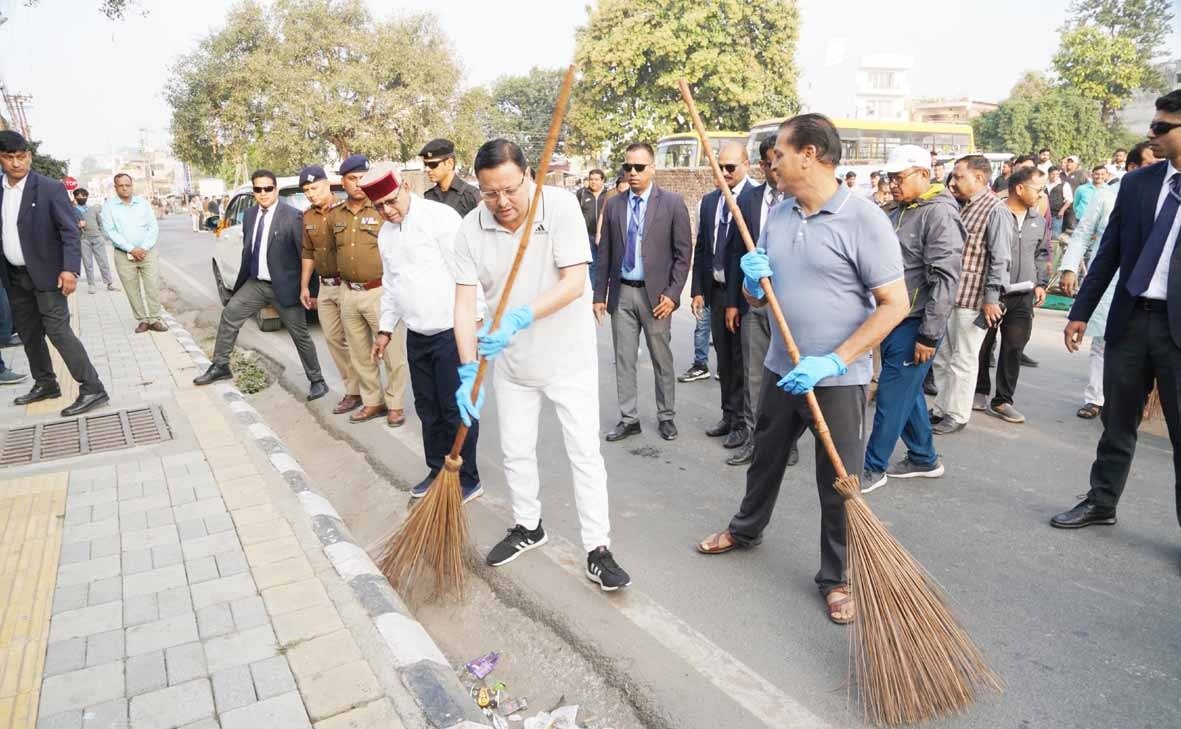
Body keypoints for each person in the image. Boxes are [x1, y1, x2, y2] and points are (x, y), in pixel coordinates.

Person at [696, 114, 909, 625]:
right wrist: (752, 283)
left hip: (836, 378)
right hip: (782, 367)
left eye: (781, 155)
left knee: (838, 481)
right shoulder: (781, 214)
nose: (773, 164)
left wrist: (835, 359)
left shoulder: (864, 219)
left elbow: (895, 304)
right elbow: (759, 299)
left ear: (809, 155)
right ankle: (746, 528)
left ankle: (837, 577)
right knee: (765, 457)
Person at [452, 138, 631, 590]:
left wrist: (519, 316)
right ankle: (528, 525)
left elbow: (574, 283)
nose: (502, 202)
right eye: (490, 193)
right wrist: (468, 369)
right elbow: (463, 303)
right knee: (515, 449)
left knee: (584, 453)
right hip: (513, 363)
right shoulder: (470, 229)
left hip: (569, 358)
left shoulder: (560, 207)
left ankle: (598, 549)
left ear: (529, 176)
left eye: (511, 189)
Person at [1051, 89, 1181, 530]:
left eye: (1161, 126)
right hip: (1131, 321)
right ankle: (1101, 502)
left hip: (1177, 332)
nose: (1151, 133)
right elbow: (1109, 252)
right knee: (1117, 422)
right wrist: (1080, 311)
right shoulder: (1138, 183)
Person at [363, 162, 483, 502]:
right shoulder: (386, 235)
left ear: (404, 186)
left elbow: (467, 274)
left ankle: (468, 479)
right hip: (417, 334)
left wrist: (476, 322)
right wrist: (386, 329)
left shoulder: (439, 219)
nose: (387, 211)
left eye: (391, 201)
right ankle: (436, 470)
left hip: (451, 332)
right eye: (379, 207)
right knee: (427, 408)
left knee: (455, 408)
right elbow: (392, 285)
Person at [861, 145, 965, 492]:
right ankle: (923, 457)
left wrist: (929, 335)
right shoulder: (898, 210)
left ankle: (872, 468)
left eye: (899, 177)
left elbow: (945, 278)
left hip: (915, 322)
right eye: (889, 177)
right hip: (890, 317)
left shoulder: (939, 214)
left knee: (891, 396)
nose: (892, 184)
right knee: (907, 392)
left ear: (923, 173)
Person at [193, 169, 328, 401]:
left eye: (268, 188)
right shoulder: (250, 214)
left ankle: (317, 381)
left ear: (275, 189)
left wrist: (310, 290)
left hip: (285, 287)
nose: (263, 193)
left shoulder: (292, 216)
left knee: (300, 335)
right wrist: (241, 282)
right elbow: (249, 250)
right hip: (256, 284)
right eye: (258, 189)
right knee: (230, 315)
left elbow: (306, 256)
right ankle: (220, 365)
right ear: (254, 191)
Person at [0, 130, 106, 415]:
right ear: (0, 159)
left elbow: (70, 231)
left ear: (29, 156)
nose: (16, 163)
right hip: (14, 276)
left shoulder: (49, 188)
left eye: (21, 157)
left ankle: (93, 388)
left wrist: (70, 269)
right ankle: (46, 383)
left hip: (48, 275)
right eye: (9, 157)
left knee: (58, 331)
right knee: (29, 333)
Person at [595, 142, 692, 442]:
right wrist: (599, 295)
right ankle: (629, 418)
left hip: (657, 298)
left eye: (639, 167)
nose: (633, 173)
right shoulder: (614, 205)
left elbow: (683, 254)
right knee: (624, 359)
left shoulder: (672, 203)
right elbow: (605, 253)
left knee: (662, 359)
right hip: (622, 294)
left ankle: (666, 416)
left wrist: (673, 294)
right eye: (628, 167)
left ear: (652, 168)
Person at [1057, 143, 1153, 420]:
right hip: (1109, 276)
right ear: (1132, 168)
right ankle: (1096, 397)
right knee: (1102, 339)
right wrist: (1069, 268)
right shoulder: (1107, 196)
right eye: (1149, 165)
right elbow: (1083, 233)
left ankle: (1133, 399)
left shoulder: (1166, 194)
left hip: (1147, 281)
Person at [721, 136, 800, 468]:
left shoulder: (800, 200)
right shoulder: (749, 199)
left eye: (777, 160)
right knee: (754, 375)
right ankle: (756, 440)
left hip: (789, 304)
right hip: (754, 301)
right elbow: (735, 252)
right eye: (768, 162)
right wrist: (734, 301)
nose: (773, 168)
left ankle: (788, 442)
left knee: (790, 375)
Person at [929, 155, 1012, 435]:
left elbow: (1000, 259)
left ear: (978, 178)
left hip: (973, 299)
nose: (953, 182)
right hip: (949, 295)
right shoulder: (960, 206)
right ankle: (941, 408)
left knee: (963, 359)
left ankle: (957, 414)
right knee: (943, 358)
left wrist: (991, 298)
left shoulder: (995, 210)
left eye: (959, 176)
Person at [332, 154, 409, 427]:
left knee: (392, 352)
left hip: (379, 291)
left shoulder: (382, 209)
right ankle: (372, 401)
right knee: (360, 353)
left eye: (361, 179)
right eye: (351, 179)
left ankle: (395, 404)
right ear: (342, 182)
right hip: (348, 292)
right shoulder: (336, 214)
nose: (357, 184)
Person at [974, 166, 1049, 424]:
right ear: (1019, 188)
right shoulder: (995, 214)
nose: (1041, 195)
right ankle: (979, 391)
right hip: (994, 293)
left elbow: (1041, 254)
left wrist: (1040, 283)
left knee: (1014, 347)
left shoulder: (1038, 220)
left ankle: (1003, 400)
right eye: (1038, 189)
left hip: (1023, 295)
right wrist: (988, 294)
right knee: (984, 345)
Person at [689, 142, 751, 452]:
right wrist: (697, 290)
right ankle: (728, 415)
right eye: (719, 167)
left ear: (746, 165)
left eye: (730, 167)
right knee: (724, 361)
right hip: (714, 291)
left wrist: (734, 302)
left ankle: (742, 422)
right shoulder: (709, 201)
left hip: (742, 297)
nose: (724, 173)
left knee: (741, 363)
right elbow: (702, 247)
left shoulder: (753, 199)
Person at [297, 164, 360, 416]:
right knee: (334, 340)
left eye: (314, 188)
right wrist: (304, 285)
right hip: (325, 287)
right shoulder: (308, 217)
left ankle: (367, 392)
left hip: (346, 285)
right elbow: (308, 252)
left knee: (356, 340)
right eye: (306, 190)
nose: (311, 194)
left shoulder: (345, 210)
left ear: (327, 184)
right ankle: (353, 390)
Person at [101, 174, 166, 333]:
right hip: (123, 254)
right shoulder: (109, 207)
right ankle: (142, 320)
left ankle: (155, 319)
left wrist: (144, 247)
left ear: (132, 186)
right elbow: (110, 231)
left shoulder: (143, 203)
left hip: (147, 252)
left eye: (127, 185)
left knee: (153, 286)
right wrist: (131, 248)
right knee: (132, 289)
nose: (125, 188)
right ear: (115, 187)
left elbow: (153, 227)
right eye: (121, 185)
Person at [419, 138, 481, 218]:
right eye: (426, 165)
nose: (427, 169)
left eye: (433, 164)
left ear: (449, 163)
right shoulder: (429, 197)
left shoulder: (471, 196)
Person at [72, 188, 118, 294]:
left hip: (97, 238)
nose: (81, 198)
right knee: (88, 263)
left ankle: (109, 283)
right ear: (75, 197)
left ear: (87, 197)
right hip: (83, 239)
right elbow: (69, 225)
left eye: (84, 196)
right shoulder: (73, 211)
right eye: (79, 196)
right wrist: (77, 226)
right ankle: (91, 285)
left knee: (103, 261)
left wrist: (102, 236)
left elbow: (100, 223)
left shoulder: (93, 209)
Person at [575, 168, 608, 284]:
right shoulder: (582, 193)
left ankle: (603, 286)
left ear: (602, 180)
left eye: (596, 179)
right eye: (591, 179)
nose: (593, 182)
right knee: (591, 263)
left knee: (604, 262)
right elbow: (576, 213)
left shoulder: (609, 194)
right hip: (587, 235)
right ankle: (593, 288)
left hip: (605, 235)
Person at [1047, 165, 1074, 238]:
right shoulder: (1045, 185)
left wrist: (1062, 211)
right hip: (1045, 214)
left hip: (1057, 214)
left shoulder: (1064, 184)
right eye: (1052, 174)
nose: (1054, 176)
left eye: (1056, 174)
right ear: (1049, 174)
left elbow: (1069, 200)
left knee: (1055, 235)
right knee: (1044, 234)